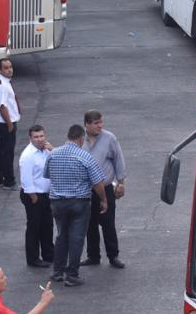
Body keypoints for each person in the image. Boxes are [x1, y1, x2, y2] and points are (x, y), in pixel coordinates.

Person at [45, 124, 108, 287]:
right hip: (79, 202)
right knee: (76, 238)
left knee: (61, 235)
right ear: (81, 139)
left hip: (57, 202)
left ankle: (57, 271)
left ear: (68, 136)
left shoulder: (53, 154)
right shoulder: (85, 157)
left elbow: (48, 175)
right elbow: (98, 183)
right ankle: (72, 274)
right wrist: (103, 199)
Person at [81, 110, 128, 269]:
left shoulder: (109, 138)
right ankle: (93, 256)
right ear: (86, 124)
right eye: (96, 123)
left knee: (108, 223)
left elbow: (118, 160)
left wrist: (121, 182)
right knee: (90, 224)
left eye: (101, 122)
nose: (100, 126)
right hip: (86, 190)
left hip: (105, 188)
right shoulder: (80, 139)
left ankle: (113, 255)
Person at [18, 125, 54, 267]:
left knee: (47, 226)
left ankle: (49, 254)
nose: (39, 139)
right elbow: (26, 178)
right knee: (34, 227)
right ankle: (33, 259)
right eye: (36, 137)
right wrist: (33, 197)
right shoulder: (28, 155)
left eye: (41, 136)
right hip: (34, 195)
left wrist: (53, 151)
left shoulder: (46, 151)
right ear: (30, 138)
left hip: (45, 194)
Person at [0, 58, 21, 190]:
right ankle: (9, 181)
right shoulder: (2, 85)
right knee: (7, 153)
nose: (9, 70)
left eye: (10, 67)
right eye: (6, 68)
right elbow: (2, 107)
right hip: (4, 123)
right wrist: (10, 124)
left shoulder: (0, 81)